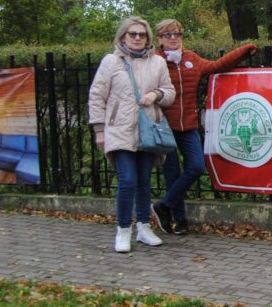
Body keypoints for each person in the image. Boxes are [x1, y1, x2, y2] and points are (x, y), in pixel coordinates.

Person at [150, 19, 257, 234]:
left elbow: (217, 66)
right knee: (172, 174)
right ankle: (179, 220)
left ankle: (163, 206)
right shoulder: (153, 61)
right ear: (159, 38)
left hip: (188, 126)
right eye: (168, 35)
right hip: (164, 126)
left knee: (197, 167)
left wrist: (244, 50)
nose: (173, 38)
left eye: (177, 34)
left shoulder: (191, 59)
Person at [88, 16, 176, 253]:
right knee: (127, 180)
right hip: (120, 130)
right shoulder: (111, 62)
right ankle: (123, 230)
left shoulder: (157, 62)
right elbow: (97, 96)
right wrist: (99, 130)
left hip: (147, 128)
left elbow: (170, 92)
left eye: (142, 34)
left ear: (147, 38)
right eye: (132, 34)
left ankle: (144, 228)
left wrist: (156, 95)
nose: (137, 38)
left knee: (144, 181)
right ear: (123, 36)